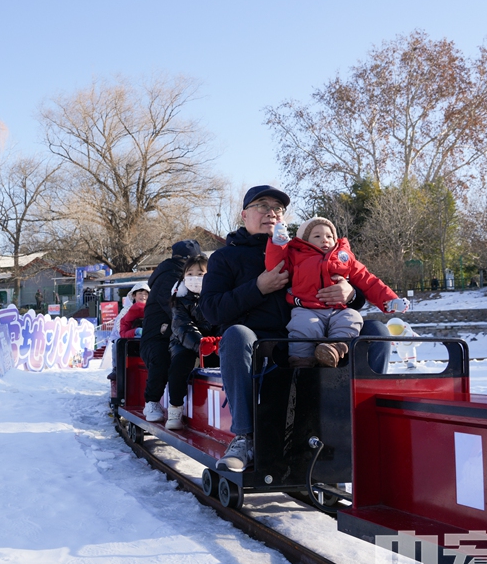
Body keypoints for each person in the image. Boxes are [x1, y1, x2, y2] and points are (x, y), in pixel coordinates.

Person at [200, 185, 390, 473]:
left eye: (278, 208)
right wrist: (258, 288)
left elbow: (354, 281)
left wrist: (350, 294)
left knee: (376, 332)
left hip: (318, 336)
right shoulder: (225, 258)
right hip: (264, 342)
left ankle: (363, 428)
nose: (271, 212)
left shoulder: (304, 248)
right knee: (237, 335)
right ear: (245, 215)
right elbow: (211, 310)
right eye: (262, 206)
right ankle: (244, 438)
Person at [265, 216, 408, 367]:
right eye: (317, 236)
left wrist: (390, 299)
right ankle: (301, 361)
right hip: (308, 308)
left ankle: (334, 349)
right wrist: (279, 243)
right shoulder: (297, 256)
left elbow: (368, 280)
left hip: (339, 309)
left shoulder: (343, 257)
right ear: (305, 240)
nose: (325, 240)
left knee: (352, 319)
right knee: (304, 326)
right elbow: (277, 266)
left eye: (329, 236)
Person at [140, 240, 203, 424]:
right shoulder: (170, 277)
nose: (195, 275)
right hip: (159, 336)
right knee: (163, 358)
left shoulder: (183, 277)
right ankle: (152, 401)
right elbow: (177, 313)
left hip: (176, 335)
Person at [165, 254, 218, 430]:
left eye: (200, 274)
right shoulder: (179, 300)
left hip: (214, 344)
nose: (194, 278)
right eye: (190, 274)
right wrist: (200, 344)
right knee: (180, 365)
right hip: (185, 343)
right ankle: (175, 408)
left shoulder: (217, 297)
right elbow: (182, 326)